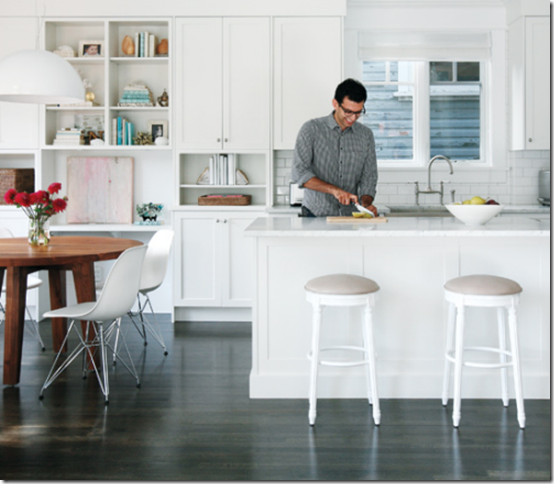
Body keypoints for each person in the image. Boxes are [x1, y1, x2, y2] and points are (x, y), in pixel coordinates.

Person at [291, 78, 378, 217]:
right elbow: (299, 173)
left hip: (350, 216)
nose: (353, 118)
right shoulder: (311, 129)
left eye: (358, 112)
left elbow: (369, 177)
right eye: (348, 111)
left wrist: (366, 204)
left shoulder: (366, 135)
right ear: (335, 104)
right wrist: (334, 190)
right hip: (315, 214)